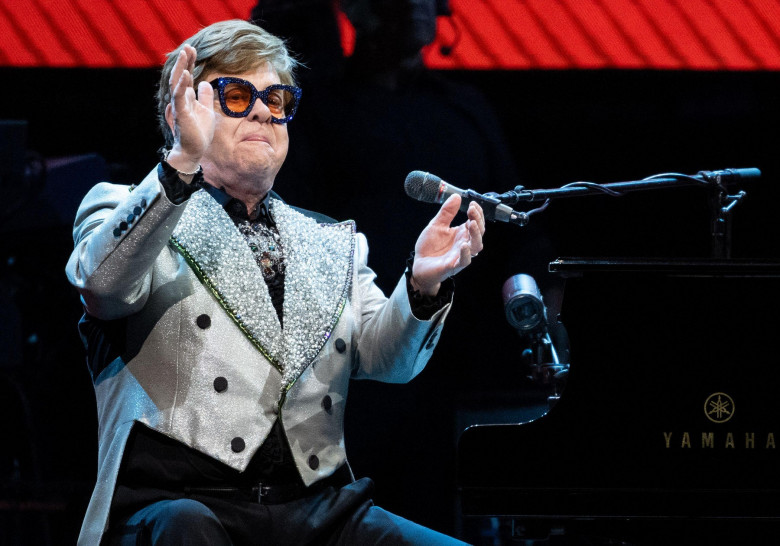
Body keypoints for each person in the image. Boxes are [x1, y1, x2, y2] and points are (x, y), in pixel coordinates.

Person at [65, 19, 484, 545]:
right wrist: (180, 165)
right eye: (237, 95)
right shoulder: (125, 207)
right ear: (180, 111)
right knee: (184, 529)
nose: (264, 110)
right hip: (180, 504)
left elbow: (388, 360)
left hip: (319, 510)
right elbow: (102, 286)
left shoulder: (331, 241)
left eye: (277, 98)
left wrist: (422, 286)